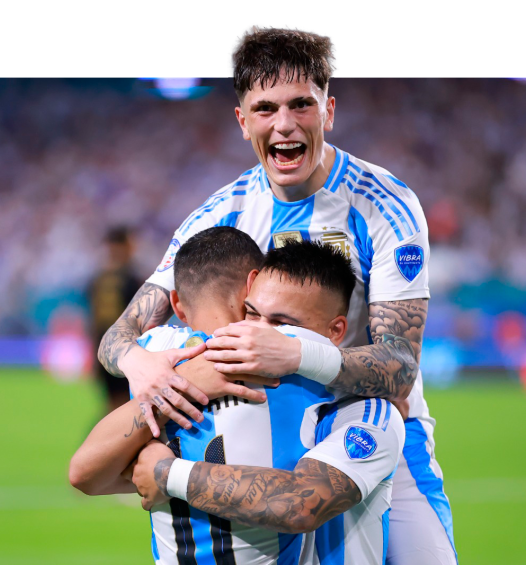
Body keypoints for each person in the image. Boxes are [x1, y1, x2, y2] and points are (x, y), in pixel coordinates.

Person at [98, 23, 455, 564]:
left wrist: (295, 354)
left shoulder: (384, 206)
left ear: (328, 110)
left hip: (375, 439)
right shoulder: (220, 216)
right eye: (265, 109)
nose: (284, 125)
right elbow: (118, 336)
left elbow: (401, 366)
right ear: (243, 121)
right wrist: (137, 365)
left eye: (301, 105)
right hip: (268, 443)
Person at [72, 227, 404, 564]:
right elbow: (83, 474)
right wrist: (183, 380)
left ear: (333, 333)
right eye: (252, 313)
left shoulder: (367, 411)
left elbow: (299, 504)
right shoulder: (172, 369)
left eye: (282, 325)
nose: (256, 334)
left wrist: (167, 473)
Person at [87, 226, 142, 413]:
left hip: (103, 347)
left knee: (113, 405)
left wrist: (94, 355)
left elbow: (94, 321)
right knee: (126, 407)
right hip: (125, 348)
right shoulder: (132, 280)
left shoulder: (97, 279)